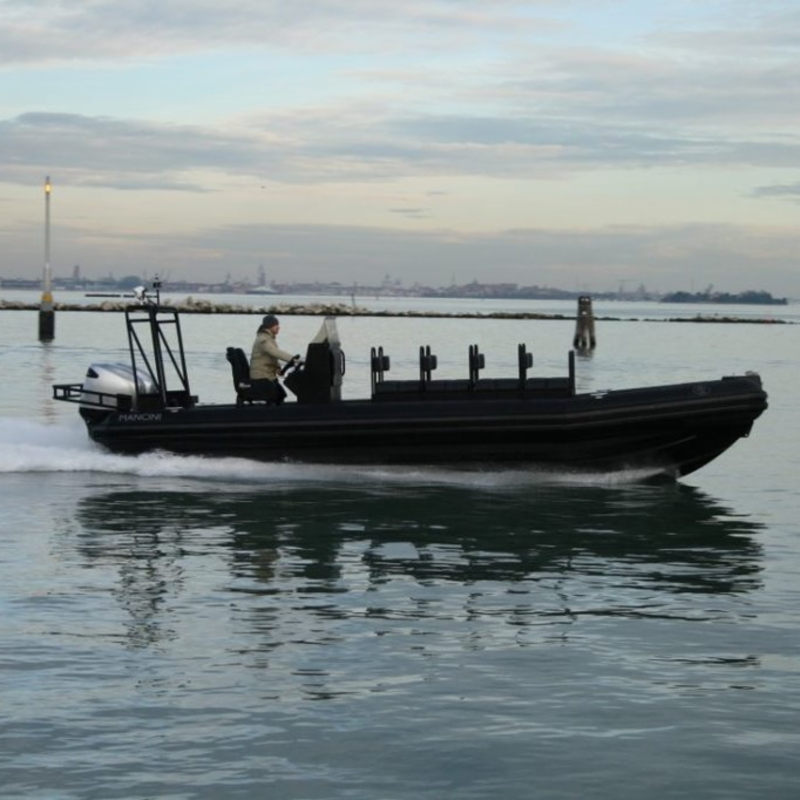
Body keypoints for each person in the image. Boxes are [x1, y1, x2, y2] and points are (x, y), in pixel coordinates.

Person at [249, 315, 300, 403]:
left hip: (268, 376)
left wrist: (278, 369)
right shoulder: (263, 340)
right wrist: (292, 359)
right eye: (276, 325)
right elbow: (274, 352)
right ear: (269, 326)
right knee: (278, 395)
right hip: (261, 377)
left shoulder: (269, 338)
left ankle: (274, 408)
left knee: (281, 394)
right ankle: (271, 409)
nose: (278, 327)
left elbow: (272, 358)